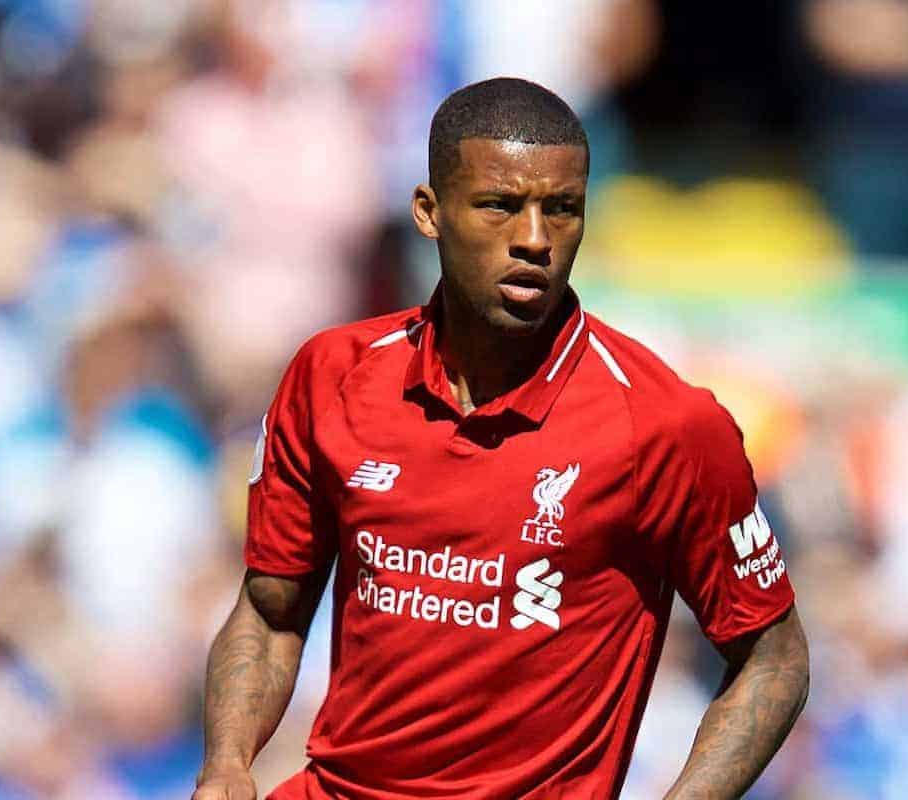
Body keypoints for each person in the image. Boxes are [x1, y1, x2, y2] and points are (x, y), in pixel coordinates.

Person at [192, 77, 809, 800]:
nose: (534, 240)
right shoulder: (331, 375)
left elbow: (773, 656)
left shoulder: (666, 423)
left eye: (562, 210)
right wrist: (227, 766)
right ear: (430, 212)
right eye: (499, 206)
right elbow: (270, 612)